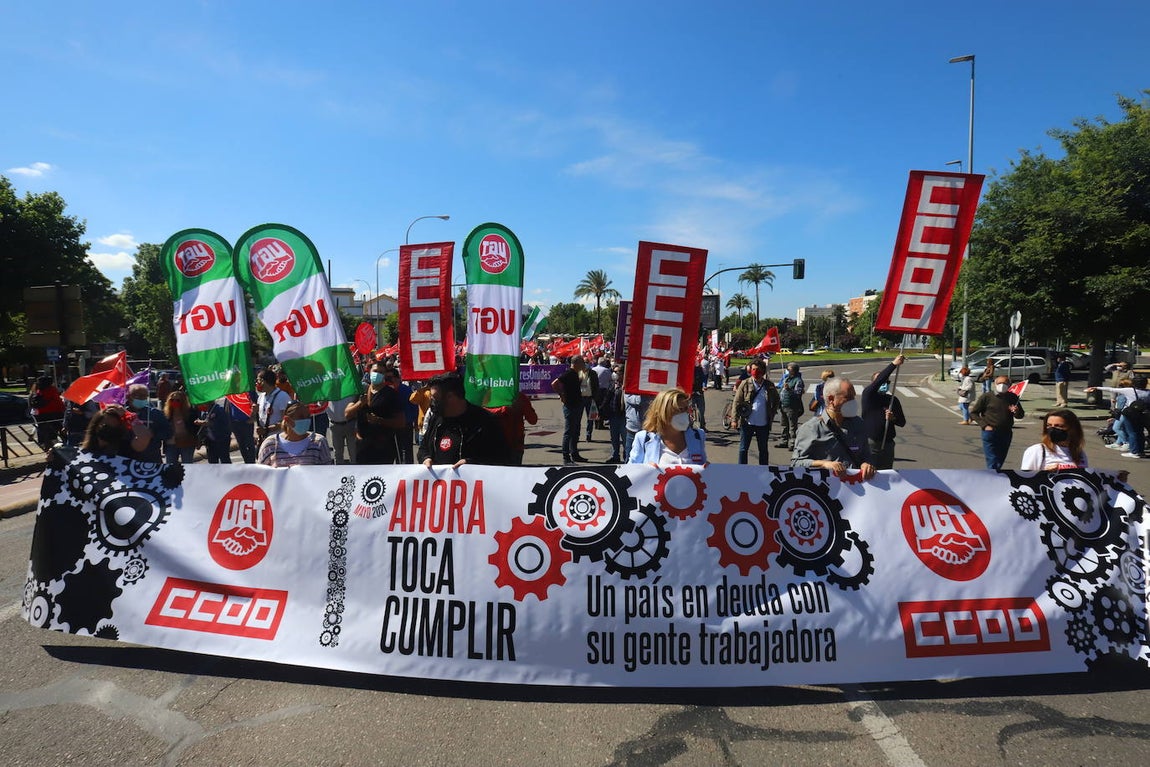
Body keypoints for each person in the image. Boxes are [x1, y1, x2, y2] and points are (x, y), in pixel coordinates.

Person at [418, 372, 512, 467]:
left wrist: (473, 464)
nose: (432, 403)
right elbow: (423, 448)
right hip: (439, 481)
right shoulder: (435, 419)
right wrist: (425, 458)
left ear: (451, 397)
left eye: (435, 398)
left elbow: (503, 458)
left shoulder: (485, 422)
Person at [791, 377, 876, 480]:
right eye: (848, 397)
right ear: (831, 399)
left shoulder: (859, 424)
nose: (853, 402)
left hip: (855, 490)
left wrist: (866, 464)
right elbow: (796, 463)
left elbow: (866, 455)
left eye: (854, 397)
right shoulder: (810, 428)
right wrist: (823, 464)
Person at [628, 388, 707, 465]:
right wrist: (646, 471)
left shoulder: (698, 436)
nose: (684, 413)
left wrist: (707, 469)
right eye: (678, 410)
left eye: (686, 409)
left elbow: (702, 469)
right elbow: (630, 472)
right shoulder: (643, 438)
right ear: (663, 413)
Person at [346, 362, 406, 464]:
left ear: (384, 375)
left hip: (383, 447)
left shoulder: (391, 394)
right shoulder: (362, 391)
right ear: (369, 372)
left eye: (381, 372)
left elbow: (401, 422)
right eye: (375, 371)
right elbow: (347, 414)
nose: (377, 374)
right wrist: (360, 403)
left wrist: (379, 420)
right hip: (362, 447)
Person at [860, 355, 907, 471]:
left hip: (888, 444)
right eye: (882, 381)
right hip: (871, 443)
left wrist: (893, 418)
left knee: (886, 473)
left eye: (887, 382)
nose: (884, 384)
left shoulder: (892, 400)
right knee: (869, 473)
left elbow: (902, 422)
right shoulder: (869, 396)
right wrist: (893, 365)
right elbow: (879, 380)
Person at [969, 375, 1025, 470]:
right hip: (990, 431)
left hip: (1006, 432)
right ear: (995, 384)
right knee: (992, 459)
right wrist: (984, 425)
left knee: (1000, 457)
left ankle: (995, 474)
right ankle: (992, 477)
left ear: (1009, 385)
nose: (1002, 385)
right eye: (999, 383)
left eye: (1005, 383)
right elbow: (974, 413)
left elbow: (1020, 415)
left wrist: (1016, 411)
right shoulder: (987, 397)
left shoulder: (1013, 397)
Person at [1086, 377, 1149, 458]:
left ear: (1134, 384)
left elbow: (1111, 389)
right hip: (1142, 414)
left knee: (1132, 432)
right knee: (1140, 432)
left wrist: (1096, 388)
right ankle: (1140, 451)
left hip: (1130, 413)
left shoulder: (1129, 390)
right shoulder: (1148, 393)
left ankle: (1134, 452)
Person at [732, 359, 779, 465]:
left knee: (763, 449)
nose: (755, 371)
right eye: (753, 369)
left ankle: (763, 470)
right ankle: (742, 469)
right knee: (743, 449)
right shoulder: (745, 383)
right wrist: (734, 419)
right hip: (747, 422)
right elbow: (736, 401)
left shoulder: (769, 385)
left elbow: (776, 399)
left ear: (763, 370)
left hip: (763, 423)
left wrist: (772, 412)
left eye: (757, 369)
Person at [257, 400, 333, 466]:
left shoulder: (319, 442)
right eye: (301, 417)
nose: (306, 420)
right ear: (287, 419)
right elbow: (261, 474)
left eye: (308, 416)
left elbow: (327, 472)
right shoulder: (270, 444)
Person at [551, 356, 592, 463]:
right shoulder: (568, 373)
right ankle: (566, 456)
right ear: (577, 363)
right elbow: (554, 383)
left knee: (576, 431)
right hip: (570, 406)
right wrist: (561, 394)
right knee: (569, 432)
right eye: (582, 362)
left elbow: (582, 381)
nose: (584, 364)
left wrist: (584, 371)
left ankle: (574, 453)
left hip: (577, 404)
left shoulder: (577, 373)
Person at [1020, 409, 1089, 471]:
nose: (1052, 429)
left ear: (1073, 429)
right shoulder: (1037, 451)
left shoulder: (1080, 453)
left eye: (1058, 426)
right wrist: (1044, 473)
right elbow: (1025, 479)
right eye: (1049, 425)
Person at [488, 390, 539, 466]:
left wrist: (522, 406)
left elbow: (533, 420)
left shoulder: (520, 397)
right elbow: (482, 411)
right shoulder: (491, 395)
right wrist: (502, 410)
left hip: (515, 445)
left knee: (514, 473)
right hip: (495, 444)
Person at [125, 383, 172, 463]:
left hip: (151, 458)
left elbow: (168, 432)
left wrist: (152, 434)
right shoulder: (122, 414)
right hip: (127, 459)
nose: (142, 398)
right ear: (129, 397)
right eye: (138, 396)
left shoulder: (155, 414)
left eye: (144, 396)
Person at [163, 390, 199, 464]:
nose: (174, 402)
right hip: (171, 445)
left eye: (177, 400)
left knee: (187, 466)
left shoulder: (191, 414)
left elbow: (196, 430)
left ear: (183, 401)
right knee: (170, 467)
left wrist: (198, 441)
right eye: (172, 400)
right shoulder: (166, 415)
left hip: (187, 444)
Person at [775, 362, 805, 450]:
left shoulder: (798, 380)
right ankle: (784, 441)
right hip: (783, 405)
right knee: (784, 425)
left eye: (789, 369)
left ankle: (793, 443)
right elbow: (781, 389)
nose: (787, 371)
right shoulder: (787, 379)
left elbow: (798, 393)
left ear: (794, 371)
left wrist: (789, 389)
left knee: (792, 426)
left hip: (792, 406)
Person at [255, 369, 290, 444]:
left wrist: (266, 430)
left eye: (258, 380)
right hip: (265, 440)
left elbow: (287, 422)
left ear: (263, 381)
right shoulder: (261, 397)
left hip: (279, 441)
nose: (257, 383)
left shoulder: (282, 396)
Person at [29, 375, 65, 449]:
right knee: (59, 428)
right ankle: (62, 444)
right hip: (55, 412)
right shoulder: (52, 390)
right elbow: (57, 402)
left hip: (41, 413)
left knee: (43, 429)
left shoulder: (38, 390)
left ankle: (44, 444)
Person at [599, 370, 627, 462]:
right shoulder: (612, 385)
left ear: (623, 374)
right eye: (614, 372)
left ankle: (627, 456)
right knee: (614, 438)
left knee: (625, 438)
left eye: (617, 372)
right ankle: (615, 456)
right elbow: (607, 398)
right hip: (613, 415)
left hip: (623, 416)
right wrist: (601, 410)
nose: (614, 374)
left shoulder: (627, 386)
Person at [197, 396, 233, 464]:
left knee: (224, 459)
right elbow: (202, 430)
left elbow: (222, 424)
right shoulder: (203, 412)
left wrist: (206, 423)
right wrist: (199, 441)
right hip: (210, 442)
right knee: (212, 461)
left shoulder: (218, 410)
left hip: (221, 439)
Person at [623, 391, 654, 460]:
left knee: (648, 459)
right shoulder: (629, 392)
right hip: (632, 431)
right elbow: (637, 401)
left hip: (648, 431)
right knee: (630, 458)